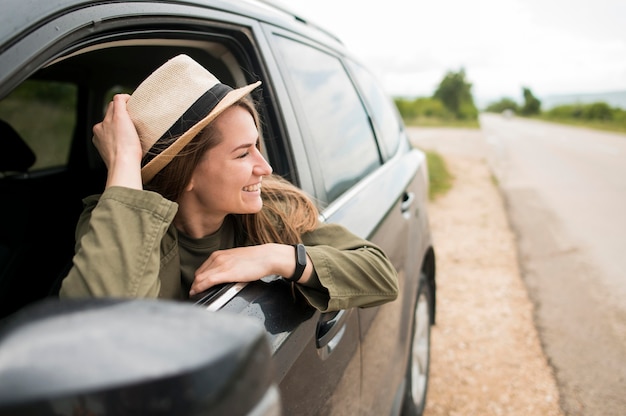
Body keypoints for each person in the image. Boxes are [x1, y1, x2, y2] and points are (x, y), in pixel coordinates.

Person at [59, 54, 398, 312]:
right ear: (187, 172)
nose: (264, 167)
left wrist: (278, 257)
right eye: (242, 155)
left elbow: (381, 275)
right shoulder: (118, 225)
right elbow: (98, 330)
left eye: (257, 147)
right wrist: (124, 161)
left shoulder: (273, 212)